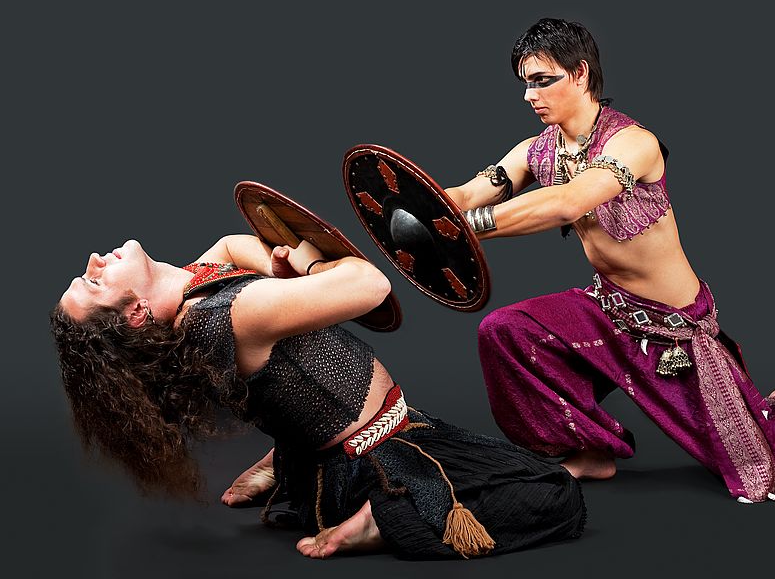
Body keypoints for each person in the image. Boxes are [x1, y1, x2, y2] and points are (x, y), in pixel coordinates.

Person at [445, 18, 775, 504]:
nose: (529, 96)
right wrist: (421, 208)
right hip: (608, 307)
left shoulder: (632, 144)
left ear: (580, 75)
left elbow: (569, 202)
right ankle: (588, 452)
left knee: (767, 458)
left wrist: (464, 229)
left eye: (543, 81)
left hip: (672, 329)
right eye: (526, 84)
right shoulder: (536, 151)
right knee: (505, 331)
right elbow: (468, 193)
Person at [52, 233, 585, 559]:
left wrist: (278, 276)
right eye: (94, 283)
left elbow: (233, 247)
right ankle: (382, 521)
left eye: (86, 274)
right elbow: (371, 287)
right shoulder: (231, 316)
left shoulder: (189, 293)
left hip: (349, 443)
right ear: (138, 315)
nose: (96, 259)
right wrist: (308, 267)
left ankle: (290, 458)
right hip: (371, 458)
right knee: (554, 493)